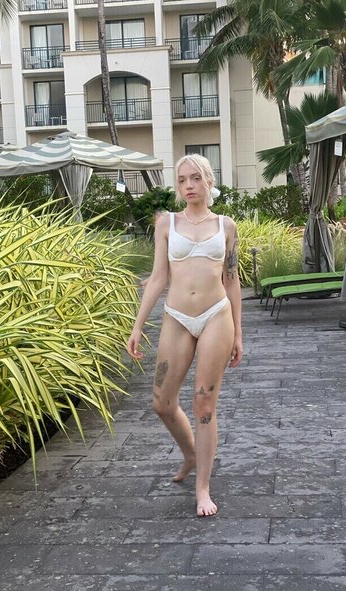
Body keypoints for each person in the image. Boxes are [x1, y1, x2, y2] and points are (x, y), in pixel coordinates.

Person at [126, 154, 243, 517]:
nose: (188, 185)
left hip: (216, 316)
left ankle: (202, 487)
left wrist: (238, 333)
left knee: (204, 403)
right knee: (161, 403)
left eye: (194, 178)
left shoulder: (226, 226)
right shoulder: (167, 223)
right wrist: (138, 324)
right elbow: (158, 277)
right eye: (181, 180)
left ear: (208, 180)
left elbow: (231, 280)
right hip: (177, 317)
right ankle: (191, 454)